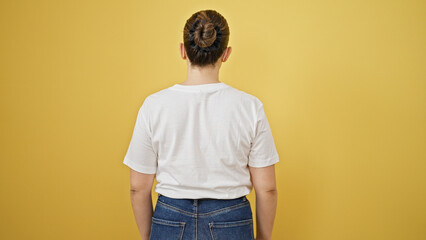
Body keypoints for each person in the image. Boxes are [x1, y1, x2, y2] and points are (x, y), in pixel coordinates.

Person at [123, 9, 279, 240]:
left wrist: (151, 235)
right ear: (226, 54)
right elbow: (267, 189)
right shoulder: (250, 106)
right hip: (232, 219)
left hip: (170, 217)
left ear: (183, 51)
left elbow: (138, 188)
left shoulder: (153, 105)